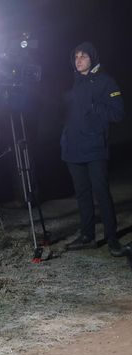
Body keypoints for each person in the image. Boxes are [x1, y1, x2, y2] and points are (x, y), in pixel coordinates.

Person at [61, 41, 126, 256]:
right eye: (76, 57)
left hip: (95, 147)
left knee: (101, 192)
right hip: (73, 148)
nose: (78, 61)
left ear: (93, 59)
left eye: (83, 57)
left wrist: (93, 106)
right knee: (82, 194)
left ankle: (112, 238)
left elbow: (118, 113)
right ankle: (87, 235)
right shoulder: (73, 83)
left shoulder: (105, 82)